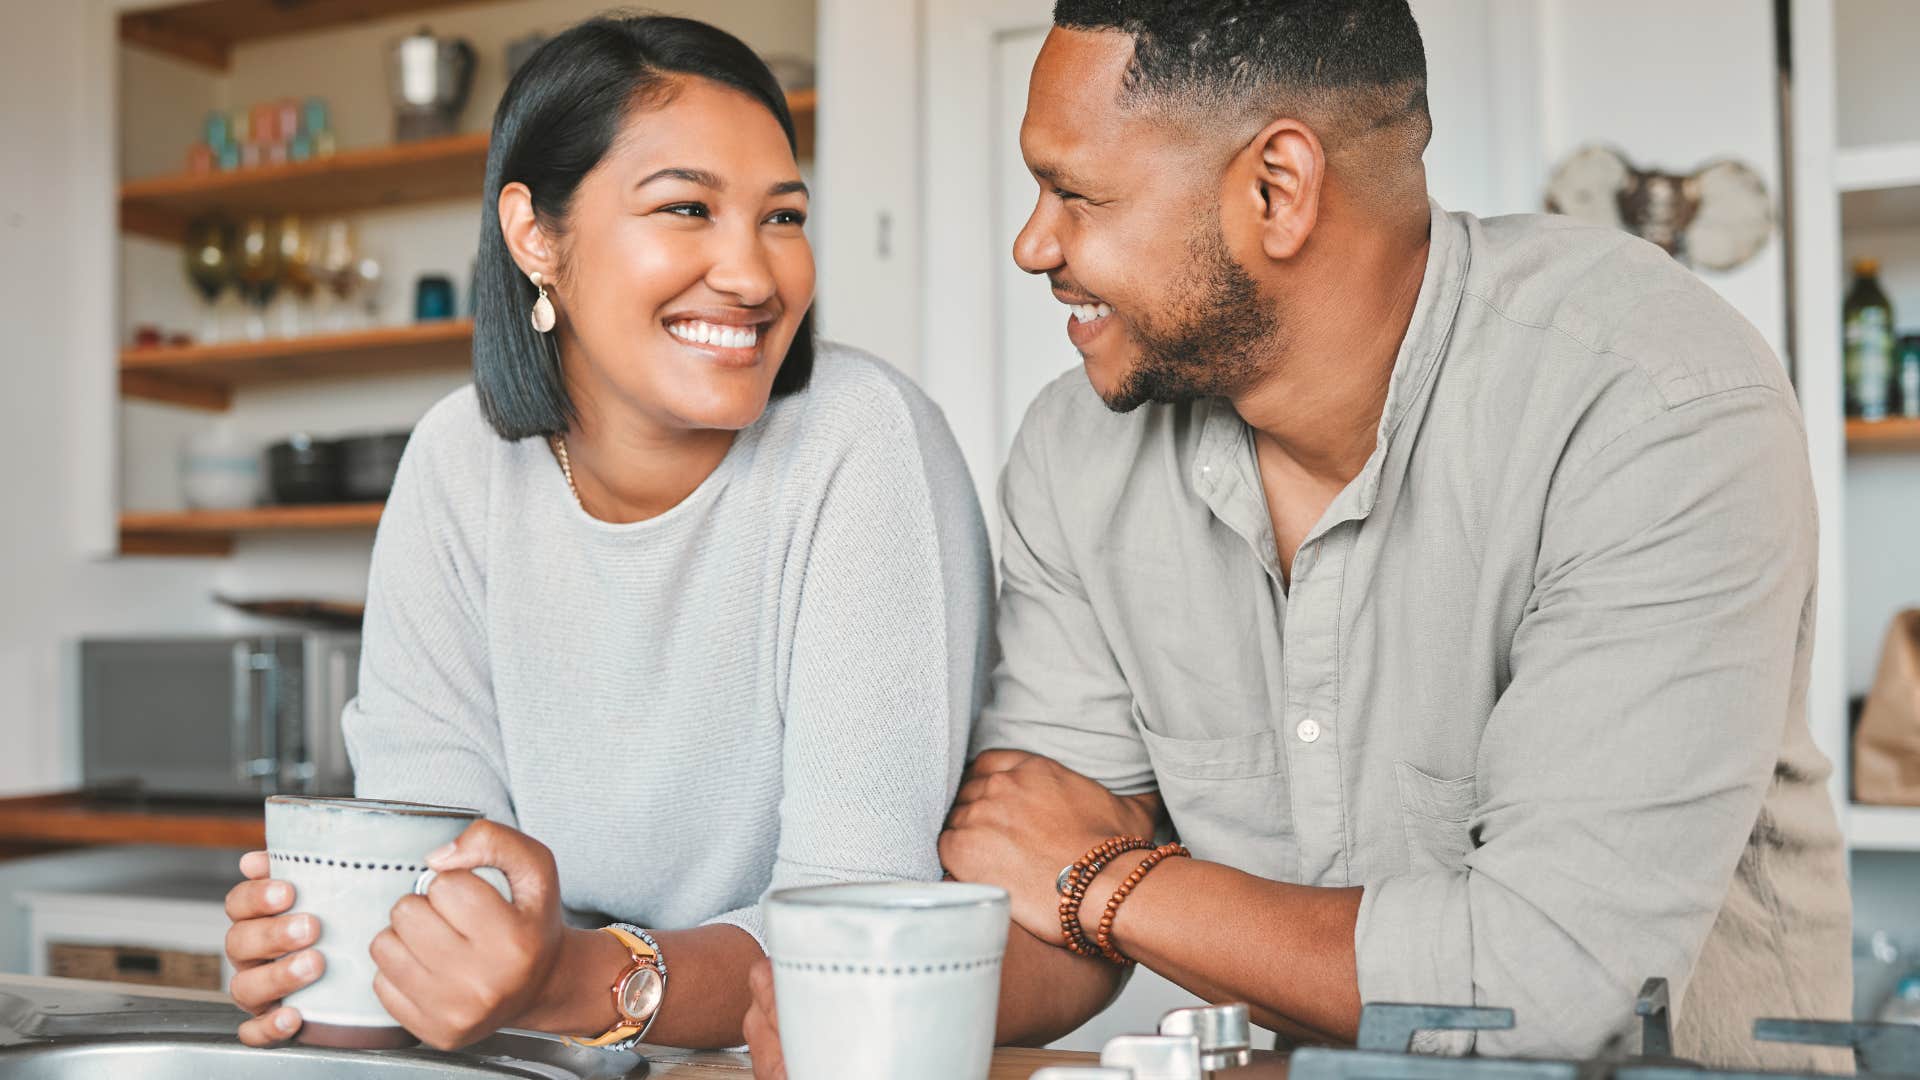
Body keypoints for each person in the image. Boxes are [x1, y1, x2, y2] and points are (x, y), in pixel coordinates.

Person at [742, 1, 1851, 1073]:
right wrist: (878, 1012)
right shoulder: (1077, 452)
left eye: (1075, 193)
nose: (1036, 244)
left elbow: (1545, 985)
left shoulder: (1652, 403)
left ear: (1277, 188)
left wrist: (1112, 881)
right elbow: (1034, 892)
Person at [220, 14, 991, 1053]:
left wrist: (575, 977)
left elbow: (853, 932)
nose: (755, 277)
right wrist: (341, 959)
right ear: (536, 234)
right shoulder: (457, 460)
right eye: (686, 208)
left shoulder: (861, 439)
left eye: (783, 217)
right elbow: (437, 870)